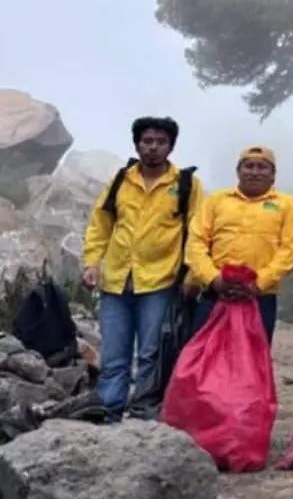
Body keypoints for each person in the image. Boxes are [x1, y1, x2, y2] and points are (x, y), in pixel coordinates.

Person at [81, 116, 204, 422]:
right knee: (114, 353)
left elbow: (199, 233)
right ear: (137, 144)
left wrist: (193, 276)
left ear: (171, 146)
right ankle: (108, 410)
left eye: (161, 142)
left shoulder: (186, 185)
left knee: (152, 353)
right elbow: (101, 225)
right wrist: (92, 263)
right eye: (147, 141)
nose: (153, 147)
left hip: (160, 281)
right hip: (117, 280)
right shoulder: (121, 180)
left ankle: (144, 412)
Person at [185, 145, 293, 344]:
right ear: (238, 171)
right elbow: (196, 243)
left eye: (262, 167)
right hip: (215, 294)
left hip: (260, 297)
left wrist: (258, 283)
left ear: (273, 175)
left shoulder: (287, 204)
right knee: (203, 354)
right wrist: (213, 279)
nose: (255, 172)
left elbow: (291, 250)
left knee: (253, 356)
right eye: (249, 166)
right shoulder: (215, 200)